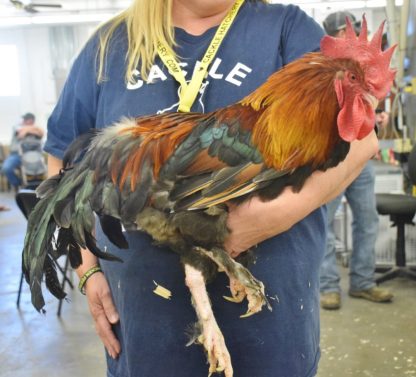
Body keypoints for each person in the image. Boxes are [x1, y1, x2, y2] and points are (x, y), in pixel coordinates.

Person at [44, 1, 379, 376]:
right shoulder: (109, 44)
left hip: (273, 325)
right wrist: (87, 270)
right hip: (144, 325)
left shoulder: (285, 26)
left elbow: (362, 143)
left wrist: (263, 222)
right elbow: (62, 157)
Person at [319, 11, 393, 310]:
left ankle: (363, 282)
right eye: (341, 33)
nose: (347, 39)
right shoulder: (324, 76)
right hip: (333, 160)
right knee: (323, 223)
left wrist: (378, 114)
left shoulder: (362, 72)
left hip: (361, 158)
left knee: (368, 220)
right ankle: (328, 286)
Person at [1, 112, 44, 191]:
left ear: (31, 121)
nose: (23, 121)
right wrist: (32, 130)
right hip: (16, 155)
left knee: (40, 167)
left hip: (31, 155)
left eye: (25, 119)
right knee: (6, 168)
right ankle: (19, 184)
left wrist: (28, 131)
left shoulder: (37, 129)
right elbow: (20, 133)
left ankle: (36, 186)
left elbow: (41, 133)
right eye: (24, 119)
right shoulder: (17, 127)